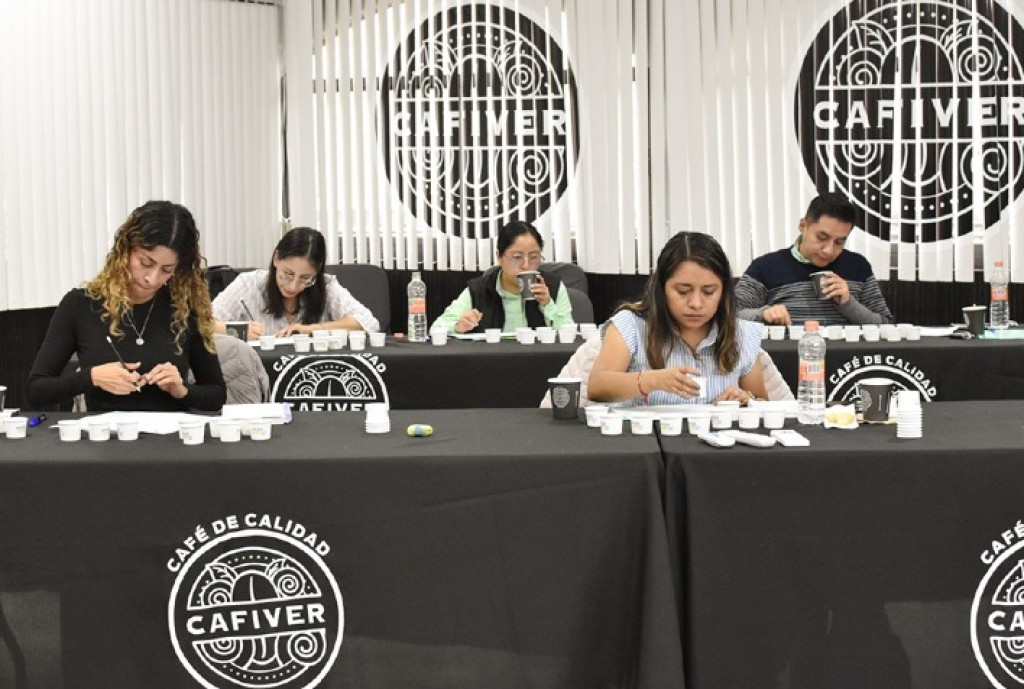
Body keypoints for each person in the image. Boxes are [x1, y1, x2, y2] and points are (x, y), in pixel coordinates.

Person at [28, 201, 227, 412]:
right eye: (146, 263)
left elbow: (216, 395)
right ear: (125, 251)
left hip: (170, 432)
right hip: (104, 432)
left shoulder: (184, 308)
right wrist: (92, 377)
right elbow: (36, 392)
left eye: (167, 270)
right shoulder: (81, 305)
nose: (152, 279)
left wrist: (182, 391)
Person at [588, 231, 766, 407]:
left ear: (724, 292)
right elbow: (597, 386)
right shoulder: (631, 325)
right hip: (645, 427)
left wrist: (745, 398)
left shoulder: (741, 334)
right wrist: (651, 380)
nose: (695, 303)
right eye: (683, 291)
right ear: (661, 288)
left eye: (708, 292)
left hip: (716, 427)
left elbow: (761, 401)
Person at [735, 192, 894, 326]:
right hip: (787, 352)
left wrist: (848, 303)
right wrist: (763, 314)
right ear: (803, 226)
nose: (829, 250)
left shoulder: (858, 266)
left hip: (846, 353)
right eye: (822, 237)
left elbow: (886, 324)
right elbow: (730, 315)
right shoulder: (766, 267)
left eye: (839, 242)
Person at [212, 227, 379, 337]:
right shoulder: (248, 285)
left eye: (305, 278)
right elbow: (202, 325)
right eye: (287, 274)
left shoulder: (327, 286)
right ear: (276, 259)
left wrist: (312, 329)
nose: (293, 286)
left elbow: (368, 322)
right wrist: (238, 331)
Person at [430, 220, 574, 333]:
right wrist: (458, 326)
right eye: (517, 257)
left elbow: (570, 334)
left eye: (534, 257)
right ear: (499, 257)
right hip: (492, 360)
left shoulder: (553, 286)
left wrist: (547, 305)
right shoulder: (480, 290)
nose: (526, 265)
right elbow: (437, 328)